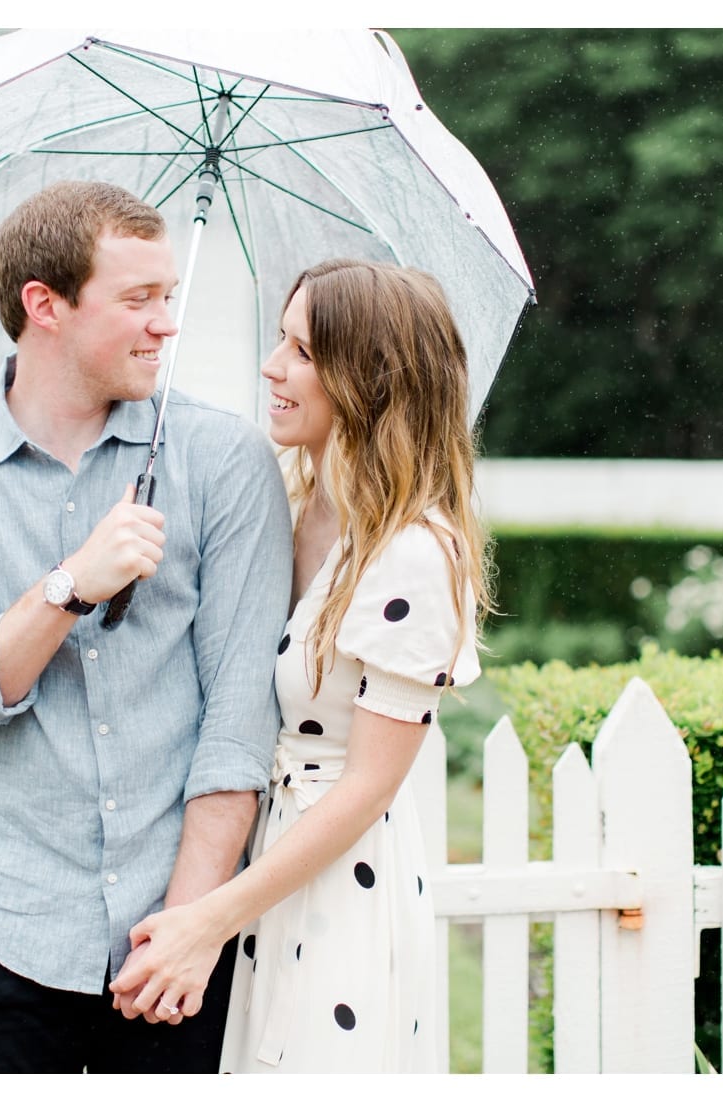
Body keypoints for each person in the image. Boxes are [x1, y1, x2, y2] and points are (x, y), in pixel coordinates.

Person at [0, 180, 293, 1073]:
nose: (164, 324)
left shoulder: (225, 462)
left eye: (168, 297)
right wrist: (69, 586)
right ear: (44, 306)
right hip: (5, 927)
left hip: (178, 933)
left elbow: (238, 719)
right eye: (138, 299)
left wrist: (187, 928)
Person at [108, 258, 491, 1073]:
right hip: (259, 871)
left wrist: (210, 919)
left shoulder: (414, 554)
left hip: (332, 889)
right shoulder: (286, 497)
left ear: (370, 379)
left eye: (303, 351)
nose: (271, 366)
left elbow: (367, 788)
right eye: (280, 339)